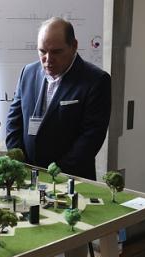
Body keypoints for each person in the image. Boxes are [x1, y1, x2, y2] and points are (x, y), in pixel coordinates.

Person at [6, 17, 111, 181]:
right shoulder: (28, 72)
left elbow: (91, 137)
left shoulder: (96, 80)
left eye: (56, 52)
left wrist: (56, 173)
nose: (48, 59)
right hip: (27, 175)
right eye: (42, 51)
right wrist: (19, 162)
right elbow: (14, 120)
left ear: (74, 46)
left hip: (70, 178)